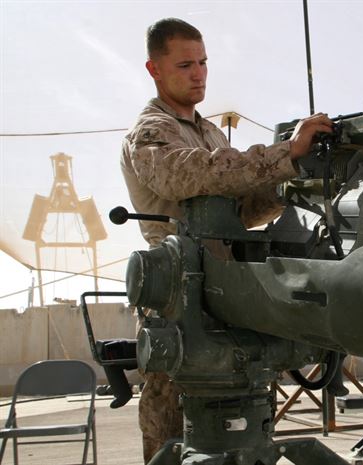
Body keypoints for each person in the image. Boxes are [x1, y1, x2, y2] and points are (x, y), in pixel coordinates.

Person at [120, 17, 333, 464]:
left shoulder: (211, 133)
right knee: (174, 433)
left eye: (203, 63)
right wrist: (283, 152)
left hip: (225, 290)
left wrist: (289, 178)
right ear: (154, 69)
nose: (198, 74)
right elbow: (189, 175)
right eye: (185, 65)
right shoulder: (151, 132)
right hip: (177, 300)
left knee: (244, 430)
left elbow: (239, 212)